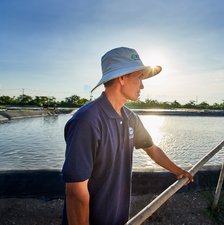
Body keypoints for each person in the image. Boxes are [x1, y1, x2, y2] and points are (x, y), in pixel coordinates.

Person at [61, 47, 193, 225]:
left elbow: (152, 149)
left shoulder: (131, 118)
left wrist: (179, 171)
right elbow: (76, 191)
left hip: (118, 216)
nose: (143, 85)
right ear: (122, 78)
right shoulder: (86, 121)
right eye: (139, 77)